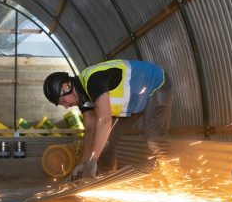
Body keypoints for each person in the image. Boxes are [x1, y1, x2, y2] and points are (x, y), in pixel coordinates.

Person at [43, 59, 173, 179]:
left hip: (155, 84)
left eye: (62, 101)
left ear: (66, 86)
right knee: (106, 142)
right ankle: (106, 178)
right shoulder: (82, 98)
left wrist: (93, 160)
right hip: (135, 98)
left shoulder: (93, 80)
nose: (66, 106)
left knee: (154, 139)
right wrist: (84, 162)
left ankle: (174, 174)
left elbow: (104, 120)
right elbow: (89, 129)